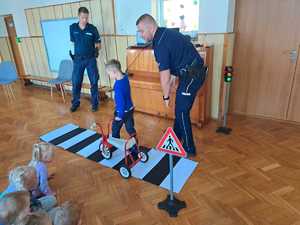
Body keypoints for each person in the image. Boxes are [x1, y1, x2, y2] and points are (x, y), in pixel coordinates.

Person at [136, 14, 207, 157]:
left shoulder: (161, 43)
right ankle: (176, 139)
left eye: (141, 31)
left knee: (181, 111)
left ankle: (189, 148)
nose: (141, 35)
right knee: (180, 109)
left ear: (150, 27)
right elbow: (178, 55)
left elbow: (164, 74)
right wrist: (176, 75)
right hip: (188, 73)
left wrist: (166, 96)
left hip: (193, 75)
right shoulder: (165, 34)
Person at [69, 6, 101, 112]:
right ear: (78, 16)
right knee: (76, 82)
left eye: (87, 18)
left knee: (94, 82)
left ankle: (95, 103)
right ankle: (75, 103)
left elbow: (98, 43)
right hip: (78, 60)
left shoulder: (92, 28)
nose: (85, 20)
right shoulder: (72, 28)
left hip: (90, 59)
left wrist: (97, 49)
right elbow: (74, 41)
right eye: (83, 17)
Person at [105, 59, 136, 139]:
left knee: (115, 128)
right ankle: (134, 139)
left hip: (122, 112)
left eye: (109, 74)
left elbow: (121, 102)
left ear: (114, 72)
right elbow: (123, 75)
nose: (109, 76)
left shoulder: (118, 87)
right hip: (130, 108)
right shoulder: (125, 77)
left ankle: (115, 142)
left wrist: (119, 116)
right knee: (129, 127)